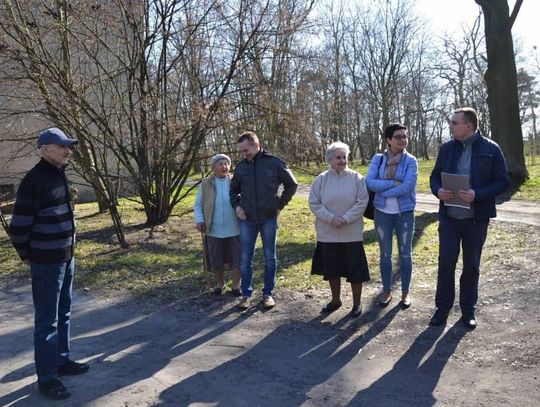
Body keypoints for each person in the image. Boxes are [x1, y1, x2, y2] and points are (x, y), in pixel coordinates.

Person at [9, 128, 89, 400]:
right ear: (45, 149)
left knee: (64, 312)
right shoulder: (35, 180)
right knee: (47, 321)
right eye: (63, 146)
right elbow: (18, 227)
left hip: (67, 257)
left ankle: (62, 361)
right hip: (46, 262)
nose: (69, 151)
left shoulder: (59, 175)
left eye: (69, 146)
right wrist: (27, 256)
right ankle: (47, 378)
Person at [429, 107, 509, 329]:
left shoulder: (491, 149)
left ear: (469, 126)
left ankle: (468, 311)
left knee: (471, 266)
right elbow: (435, 176)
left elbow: (502, 181)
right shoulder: (446, 148)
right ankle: (442, 309)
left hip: (476, 219)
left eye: (455, 123)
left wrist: (478, 194)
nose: (451, 126)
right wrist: (438, 191)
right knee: (446, 263)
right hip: (449, 219)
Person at [230, 131, 298, 310]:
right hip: (247, 219)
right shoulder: (240, 168)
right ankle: (246, 295)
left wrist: (279, 206)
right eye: (241, 151)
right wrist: (236, 206)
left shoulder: (274, 163)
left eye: (246, 150)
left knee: (270, 257)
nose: (243, 154)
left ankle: (268, 294)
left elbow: (292, 184)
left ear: (256, 144)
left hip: (268, 218)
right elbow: (233, 191)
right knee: (245, 259)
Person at [309, 141, 370, 317]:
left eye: (344, 157)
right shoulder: (321, 180)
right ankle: (335, 300)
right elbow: (314, 203)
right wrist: (331, 218)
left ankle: (357, 304)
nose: (342, 160)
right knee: (332, 269)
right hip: (327, 234)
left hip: (352, 234)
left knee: (355, 271)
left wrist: (345, 218)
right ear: (330, 159)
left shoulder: (357, 178)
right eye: (338, 157)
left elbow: (362, 202)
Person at [366, 123, 418, 309]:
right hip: (382, 213)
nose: (403, 140)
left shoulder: (411, 160)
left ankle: (405, 292)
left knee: (405, 254)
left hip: (404, 213)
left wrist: (385, 190)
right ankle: (386, 291)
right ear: (388, 140)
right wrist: (393, 184)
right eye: (398, 137)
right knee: (385, 254)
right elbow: (370, 183)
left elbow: (408, 186)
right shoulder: (378, 159)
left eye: (405, 136)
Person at [194, 154, 241, 296]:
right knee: (216, 258)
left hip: (235, 227)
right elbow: (198, 205)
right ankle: (220, 284)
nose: (224, 167)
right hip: (213, 228)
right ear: (213, 167)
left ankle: (235, 285)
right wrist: (199, 220)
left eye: (226, 164)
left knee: (238, 257)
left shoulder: (236, 181)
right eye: (220, 164)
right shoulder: (206, 183)